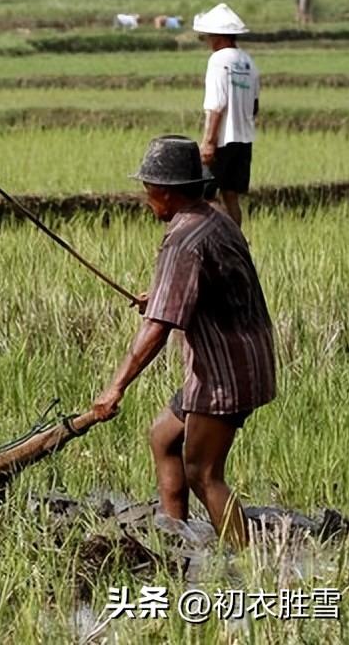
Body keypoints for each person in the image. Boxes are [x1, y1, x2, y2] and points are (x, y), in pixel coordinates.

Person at [91, 135, 276, 547]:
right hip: (242, 360)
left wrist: (115, 387)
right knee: (163, 436)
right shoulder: (213, 219)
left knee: (203, 472)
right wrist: (158, 295)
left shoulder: (182, 240)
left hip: (225, 372)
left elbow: (158, 328)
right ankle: (176, 542)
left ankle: (246, 562)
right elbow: (211, 285)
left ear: (167, 192)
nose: (145, 199)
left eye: (148, 190)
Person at [193, 3, 260, 228]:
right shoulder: (248, 62)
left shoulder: (218, 61)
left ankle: (216, 238)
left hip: (222, 139)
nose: (207, 42)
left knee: (204, 196)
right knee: (231, 195)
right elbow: (255, 106)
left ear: (218, 36)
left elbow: (217, 104)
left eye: (207, 37)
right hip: (244, 139)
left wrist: (209, 143)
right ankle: (236, 242)